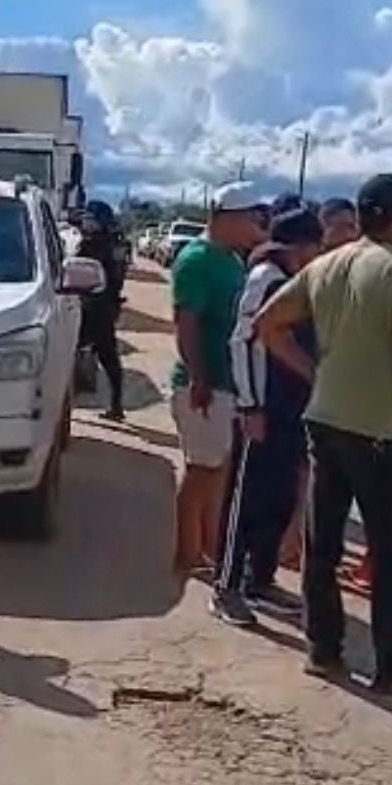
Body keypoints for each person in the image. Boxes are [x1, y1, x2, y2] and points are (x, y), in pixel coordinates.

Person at [256, 173, 392, 695]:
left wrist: (314, 371)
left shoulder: (327, 265)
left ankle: (323, 650)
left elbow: (268, 324)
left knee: (323, 544)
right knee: (390, 551)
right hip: (382, 433)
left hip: (325, 421)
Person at [213, 206, 323, 627]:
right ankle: (226, 587)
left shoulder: (297, 284)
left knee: (277, 499)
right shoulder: (265, 280)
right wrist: (249, 405)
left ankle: (260, 580)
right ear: (300, 247)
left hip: (290, 409)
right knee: (245, 501)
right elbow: (242, 343)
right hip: (261, 408)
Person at [170, 183, 266, 575]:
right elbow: (186, 322)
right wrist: (198, 378)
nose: (255, 228)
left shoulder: (231, 260)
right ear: (228, 218)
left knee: (217, 472)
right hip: (204, 383)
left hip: (226, 382)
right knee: (201, 471)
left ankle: (209, 548)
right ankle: (186, 553)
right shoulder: (197, 260)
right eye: (250, 220)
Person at [76, 199, 126, 422]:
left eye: (89, 219)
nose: (85, 223)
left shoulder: (93, 245)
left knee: (67, 351)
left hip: (91, 306)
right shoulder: (115, 244)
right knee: (108, 356)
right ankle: (116, 405)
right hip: (106, 306)